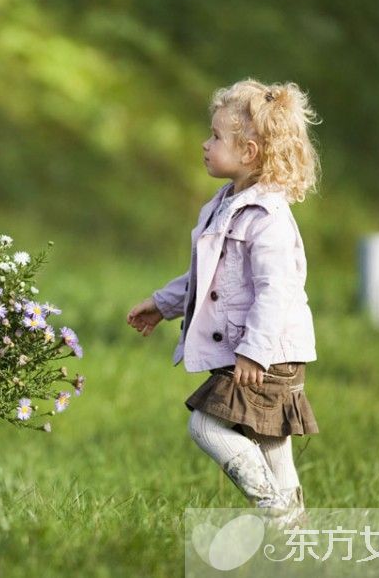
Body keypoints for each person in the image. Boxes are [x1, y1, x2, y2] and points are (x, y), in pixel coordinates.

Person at [127, 79, 320, 525]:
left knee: (205, 425)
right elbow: (208, 275)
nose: (205, 144)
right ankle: (293, 529)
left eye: (215, 137)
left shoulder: (266, 218)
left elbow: (277, 290)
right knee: (270, 442)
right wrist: (162, 304)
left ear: (248, 152)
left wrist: (254, 350)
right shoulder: (227, 204)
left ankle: (273, 507)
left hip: (265, 353)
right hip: (264, 351)